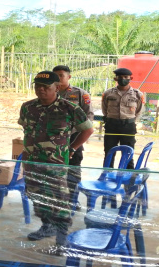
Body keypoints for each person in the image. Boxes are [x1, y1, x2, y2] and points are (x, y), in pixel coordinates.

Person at [19, 71, 94, 247]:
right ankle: (47, 227)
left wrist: (73, 147)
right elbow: (26, 129)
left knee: (59, 201)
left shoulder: (69, 108)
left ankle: (62, 238)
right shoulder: (27, 107)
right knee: (37, 197)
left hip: (55, 164)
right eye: (38, 86)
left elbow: (88, 130)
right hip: (32, 163)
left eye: (46, 87)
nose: (41, 90)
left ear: (57, 88)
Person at [53, 65, 94, 202]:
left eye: (61, 75)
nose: (58, 78)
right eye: (56, 76)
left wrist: (82, 133)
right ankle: (56, 199)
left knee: (73, 169)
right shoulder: (50, 92)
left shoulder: (80, 94)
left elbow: (89, 115)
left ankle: (72, 200)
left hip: (74, 137)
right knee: (54, 169)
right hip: (54, 138)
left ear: (69, 77)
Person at [101, 67, 144, 169]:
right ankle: (107, 174)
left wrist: (130, 121)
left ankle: (128, 176)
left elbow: (139, 111)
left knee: (128, 152)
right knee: (109, 152)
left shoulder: (137, 94)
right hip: (111, 126)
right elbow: (104, 109)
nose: (123, 79)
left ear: (130, 78)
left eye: (125, 77)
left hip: (128, 126)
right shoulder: (108, 93)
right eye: (120, 77)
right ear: (115, 79)